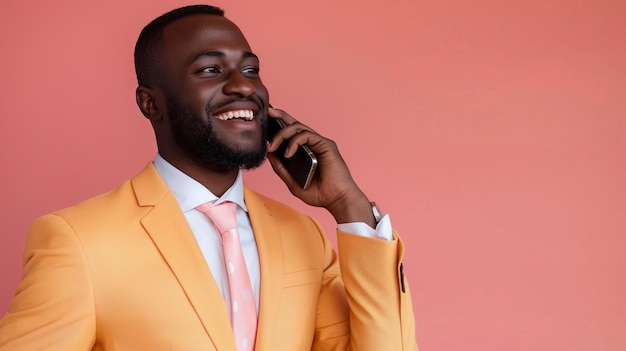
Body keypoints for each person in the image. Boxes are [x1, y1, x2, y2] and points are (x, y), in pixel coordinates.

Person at [0, 5, 417, 350]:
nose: (242, 87)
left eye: (250, 70)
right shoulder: (78, 241)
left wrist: (350, 207)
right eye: (210, 71)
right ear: (150, 103)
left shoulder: (303, 234)